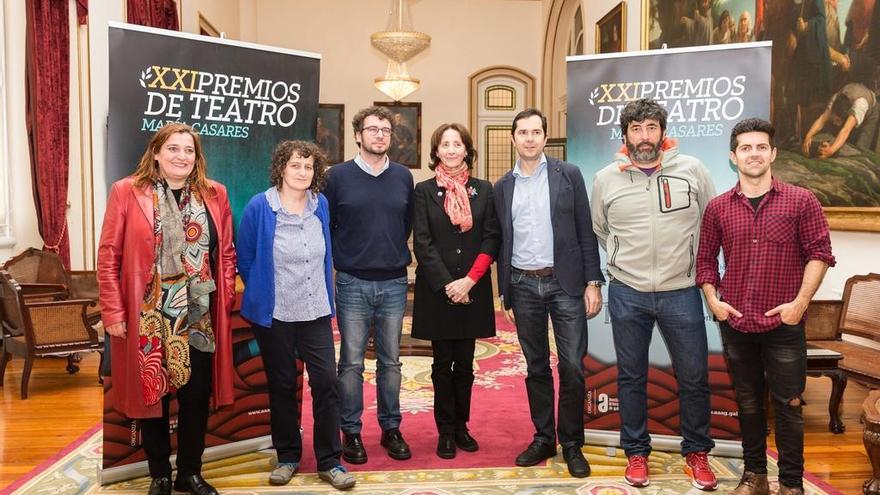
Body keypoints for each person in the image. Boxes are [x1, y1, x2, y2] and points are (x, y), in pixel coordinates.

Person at [697, 118, 835, 495]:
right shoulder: (718, 208)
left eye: (761, 147)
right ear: (733, 156)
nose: (753, 154)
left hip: (785, 325)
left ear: (773, 153)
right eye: (745, 147)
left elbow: (820, 254)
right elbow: (705, 261)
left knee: (788, 405)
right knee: (748, 404)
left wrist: (799, 303)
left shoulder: (801, 200)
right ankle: (754, 476)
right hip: (737, 325)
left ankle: (791, 484)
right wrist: (715, 302)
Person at [97, 123, 236, 495]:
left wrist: (225, 298)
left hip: (199, 317)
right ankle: (159, 474)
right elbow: (109, 255)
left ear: (197, 157)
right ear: (156, 153)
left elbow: (224, 253)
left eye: (189, 150)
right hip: (149, 316)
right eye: (173, 149)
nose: (181, 156)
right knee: (152, 397)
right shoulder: (127, 191)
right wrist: (112, 312)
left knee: (195, 398)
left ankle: (190, 472)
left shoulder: (214, 194)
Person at [591, 98, 717, 490]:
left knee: (694, 376)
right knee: (631, 377)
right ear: (624, 135)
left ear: (663, 132)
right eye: (635, 129)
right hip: (627, 292)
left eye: (650, 128)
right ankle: (636, 453)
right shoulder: (605, 179)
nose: (644, 137)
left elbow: (711, 223)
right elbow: (601, 229)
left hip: (682, 291)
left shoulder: (692, 170)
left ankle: (697, 453)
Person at [236, 140, 355, 490]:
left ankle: (330, 461)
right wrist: (261, 291)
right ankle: (287, 456)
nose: (303, 172)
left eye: (309, 167)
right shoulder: (261, 206)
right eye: (295, 165)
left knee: (326, 384)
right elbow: (244, 258)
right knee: (283, 385)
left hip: (315, 310)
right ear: (281, 169)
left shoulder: (322, 206)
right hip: (275, 315)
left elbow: (325, 256)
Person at [493, 108, 604, 478]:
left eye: (535, 131)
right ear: (513, 138)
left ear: (545, 136)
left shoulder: (567, 174)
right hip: (523, 285)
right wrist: (504, 292)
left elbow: (585, 230)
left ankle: (572, 443)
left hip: (565, 283)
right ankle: (543, 437)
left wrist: (593, 281)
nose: (529, 138)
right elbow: (501, 242)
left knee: (572, 366)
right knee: (536, 366)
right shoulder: (502, 187)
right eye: (522, 132)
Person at [324, 105, 414, 464]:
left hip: (394, 282)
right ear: (358, 135)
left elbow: (405, 224)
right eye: (372, 129)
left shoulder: (403, 176)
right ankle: (352, 433)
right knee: (351, 363)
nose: (380, 135)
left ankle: (391, 429)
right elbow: (327, 225)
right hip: (352, 283)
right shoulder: (336, 177)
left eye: (386, 130)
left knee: (391, 363)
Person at [410, 123, 500, 459]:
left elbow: (491, 237)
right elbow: (423, 242)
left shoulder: (484, 190)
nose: (450, 150)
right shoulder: (423, 191)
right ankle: (444, 431)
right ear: (436, 151)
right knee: (440, 364)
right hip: (438, 292)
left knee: (465, 365)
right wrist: (449, 283)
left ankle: (462, 426)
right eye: (444, 144)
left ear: (466, 149)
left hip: (472, 290)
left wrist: (469, 281)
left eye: (457, 144)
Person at [802, 82, 879, 158]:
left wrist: (830, 151)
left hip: (871, 113)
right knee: (838, 142)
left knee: (861, 147)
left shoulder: (860, 105)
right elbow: (822, 119)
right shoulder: (835, 99)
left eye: (838, 120)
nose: (834, 123)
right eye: (834, 119)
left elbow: (846, 130)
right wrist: (808, 136)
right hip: (853, 104)